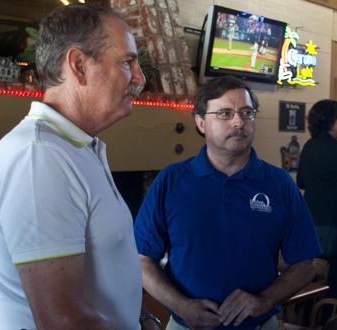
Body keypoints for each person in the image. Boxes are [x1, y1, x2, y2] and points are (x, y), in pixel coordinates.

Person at [0, 4, 146, 329]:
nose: (139, 78)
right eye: (127, 62)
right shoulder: (38, 156)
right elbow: (63, 322)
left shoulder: (76, 147)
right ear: (79, 65)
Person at [134, 75, 321, 330]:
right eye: (224, 113)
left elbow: (306, 264)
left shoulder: (279, 184)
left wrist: (263, 301)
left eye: (247, 112)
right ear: (201, 122)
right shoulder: (171, 181)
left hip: (260, 325)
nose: (238, 121)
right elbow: (142, 260)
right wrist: (182, 306)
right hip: (186, 325)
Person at [296, 100, 337, 305]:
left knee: (309, 272)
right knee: (328, 275)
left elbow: (301, 182)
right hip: (330, 221)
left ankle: (305, 315)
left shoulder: (309, 146)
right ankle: (323, 318)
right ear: (328, 120)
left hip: (309, 218)